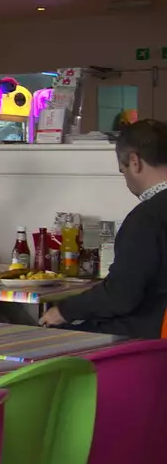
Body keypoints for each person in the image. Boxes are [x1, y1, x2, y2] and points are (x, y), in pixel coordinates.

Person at [41, 119, 167, 336]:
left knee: (47, 332)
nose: (126, 178)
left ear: (134, 162)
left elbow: (120, 297)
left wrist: (63, 310)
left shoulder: (147, 219)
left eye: (123, 170)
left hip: (148, 338)